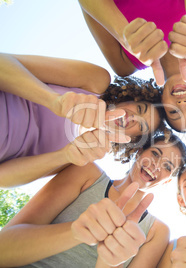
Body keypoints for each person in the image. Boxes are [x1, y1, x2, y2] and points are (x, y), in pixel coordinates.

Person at [0, 133, 186, 267]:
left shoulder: (156, 232)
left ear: (167, 180)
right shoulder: (86, 173)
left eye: (167, 166)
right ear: (139, 153)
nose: (156, 165)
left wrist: (109, 262)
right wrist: (77, 231)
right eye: (155, 153)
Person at [0, 53, 165, 188]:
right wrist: (53, 100)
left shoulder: (83, 158)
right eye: (139, 109)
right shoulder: (95, 81)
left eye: (142, 126)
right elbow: (4, 62)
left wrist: (65, 156)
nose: (133, 119)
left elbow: (2, 178)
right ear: (131, 98)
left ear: (133, 139)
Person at [78, 0, 186, 132]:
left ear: (161, 102)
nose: (182, 103)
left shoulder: (124, 64)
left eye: (173, 111)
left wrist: (122, 34)